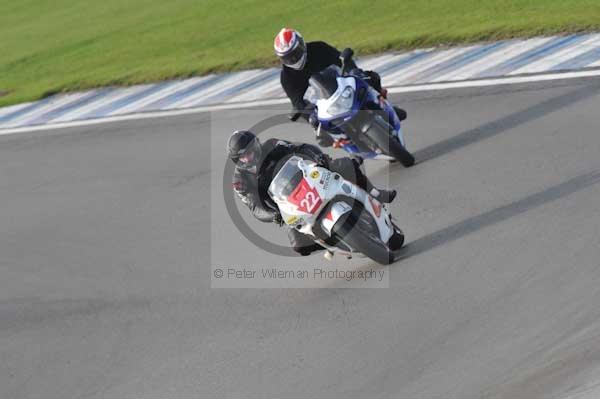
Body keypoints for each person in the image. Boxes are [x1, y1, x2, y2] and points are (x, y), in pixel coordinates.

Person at [227, 130, 397, 256]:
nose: (250, 157)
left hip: (307, 177)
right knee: (299, 245)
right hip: (285, 206)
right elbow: (255, 208)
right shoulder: (240, 181)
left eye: (251, 150)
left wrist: (319, 158)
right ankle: (330, 243)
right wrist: (274, 215)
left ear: (257, 143)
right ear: (238, 160)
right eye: (244, 156)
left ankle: (375, 193)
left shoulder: (273, 144)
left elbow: (302, 147)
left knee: (347, 164)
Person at [273, 27, 407, 146]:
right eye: (287, 57)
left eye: (295, 53)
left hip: (342, 85)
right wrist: (311, 118)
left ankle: (384, 104)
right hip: (324, 103)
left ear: (301, 45)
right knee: (322, 137)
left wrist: (354, 70)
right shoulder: (286, 77)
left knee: (372, 77)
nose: (293, 59)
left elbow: (341, 59)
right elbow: (297, 102)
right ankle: (349, 146)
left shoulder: (318, 47)